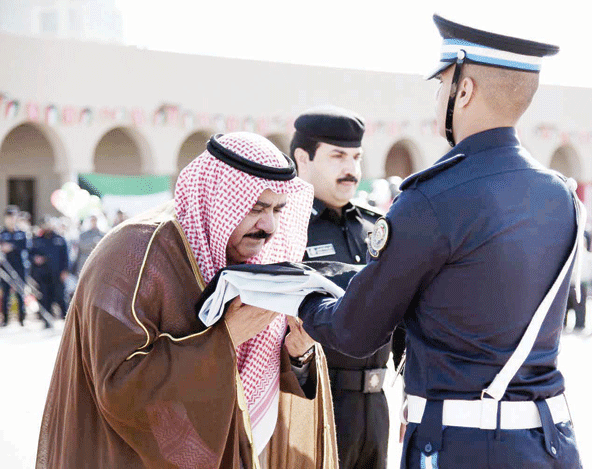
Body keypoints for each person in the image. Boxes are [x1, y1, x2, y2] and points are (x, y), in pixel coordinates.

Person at [294, 14, 584, 468]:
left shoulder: (431, 199)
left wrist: (303, 299)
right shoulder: (561, 196)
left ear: (463, 91)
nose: (438, 98)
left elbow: (355, 330)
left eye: (442, 84)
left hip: (463, 447)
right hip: (549, 442)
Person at [36, 132, 338, 468]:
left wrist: (298, 354)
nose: (269, 227)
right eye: (256, 208)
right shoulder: (133, 253)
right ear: (217, 200)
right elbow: (118, 387)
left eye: (278, 210)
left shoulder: (256, 259)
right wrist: (224, 339)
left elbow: (257, 373)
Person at [292, 106, 403, 469]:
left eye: (356, 157)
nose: (352, 169)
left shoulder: (376, 226)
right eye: (338, 156)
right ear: (303, 159)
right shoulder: (286, 228)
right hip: (314, 403)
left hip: (376, 406)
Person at [30, 216, 70, 320]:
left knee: (60, 297)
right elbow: (31, 254)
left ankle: (66, 319)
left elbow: (65, 257)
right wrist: (36, 259)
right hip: (43, 274)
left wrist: (65, 271)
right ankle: (47, 320)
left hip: (57, 274)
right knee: (45, 297)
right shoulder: (37, 240)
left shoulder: (59, 239)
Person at [1, 205, 28, 326]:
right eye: (9, 217)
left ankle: (22, 319)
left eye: (13, 217)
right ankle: (6, 320)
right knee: (5, 293)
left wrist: (11, 247)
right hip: (5, 268)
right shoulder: (2, 233)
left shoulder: (22, 233)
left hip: (19, 267)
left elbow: (26, 248)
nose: (11, 219)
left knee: (20, 292)